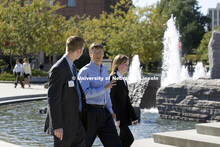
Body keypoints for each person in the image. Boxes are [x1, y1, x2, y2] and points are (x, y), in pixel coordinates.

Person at [44, 36, 88, 147]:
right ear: (78, 50)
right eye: (83, 50)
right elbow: (53, 99)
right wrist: (57, 125)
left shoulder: (71, 67)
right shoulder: (59, 68)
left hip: (76, 121)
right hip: (63, 124)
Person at [78, 43, 122, 147]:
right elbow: (84, 94)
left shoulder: (105, 71)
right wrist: (104, 88)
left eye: (100, 52)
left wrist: (111, 111)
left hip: (104, 113)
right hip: (89, 113)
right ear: (90, 54)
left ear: (103, 55)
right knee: (84, 144)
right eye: (95, 52)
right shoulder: (85, 72)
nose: (98, 55)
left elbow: (107, 93)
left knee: (115, 144)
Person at [110, 54, 138, 147]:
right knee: (129, 139)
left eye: (128, 64)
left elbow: (127, 100)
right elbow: (111, 99)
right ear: (118, 65)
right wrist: (116, 118)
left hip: (123, 118)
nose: (127, 66)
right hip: (118, 118)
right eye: (125, 64)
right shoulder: (114, 78)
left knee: (121, 141)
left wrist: (134, 117)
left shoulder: (124, 79)